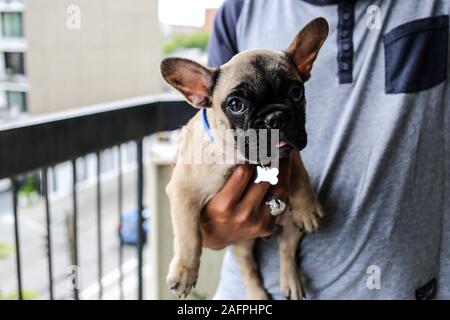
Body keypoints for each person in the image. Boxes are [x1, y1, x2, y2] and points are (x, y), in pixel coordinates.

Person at [200, 0, 450, 299]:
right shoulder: (239, 11)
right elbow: (203, 152)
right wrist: (209, 228)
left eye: (292, 93)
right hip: (255, 293)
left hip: (400, 287)